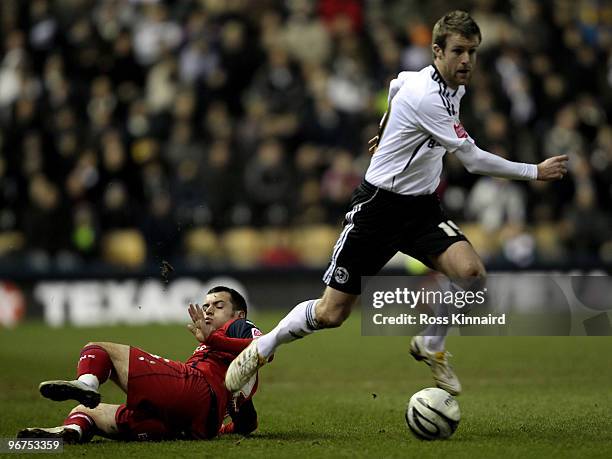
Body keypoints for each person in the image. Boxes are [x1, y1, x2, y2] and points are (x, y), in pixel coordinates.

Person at [225, 10, 568, 396]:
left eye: (472, 51)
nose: (467, 60)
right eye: (458, 51)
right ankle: (262, 348)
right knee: (331, 313)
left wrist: (385, 127)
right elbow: (472, 160)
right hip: (379, 208)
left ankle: (432, 343)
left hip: (420, 209)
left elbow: (394, 83)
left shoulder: (445, 85)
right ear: (437, 51)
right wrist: (534, 171)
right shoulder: (428, 97)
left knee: (471, 273)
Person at [18, 286, 262, 442]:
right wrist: (219, 430)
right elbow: (247, 423)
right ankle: (69, 433)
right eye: (206, 305)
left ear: (238, 314)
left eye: (219, 306)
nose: (208, 310)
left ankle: (87, 385)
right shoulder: (236, 371)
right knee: (84, 412)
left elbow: (262, 350)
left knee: (99, 349)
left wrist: (214, 339)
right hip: (190, 424)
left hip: (194, 389)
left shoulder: (239, 326)